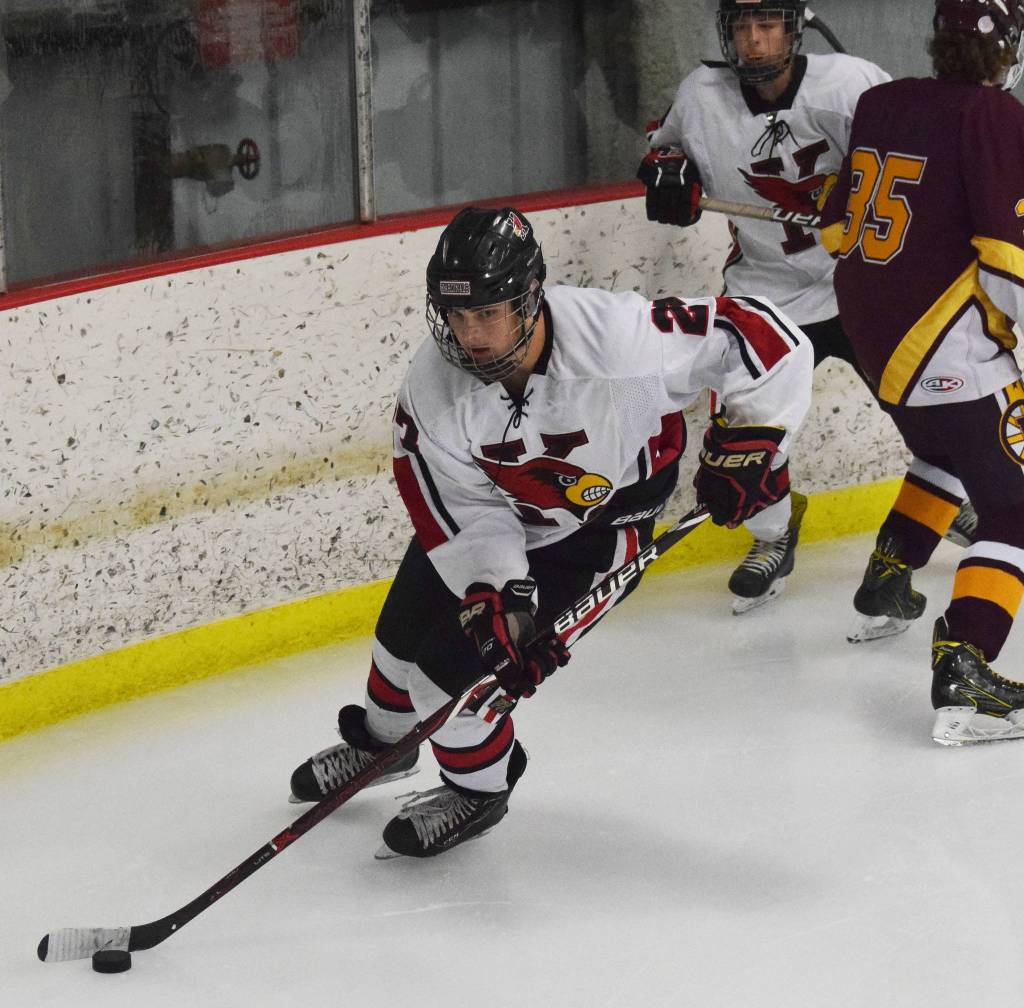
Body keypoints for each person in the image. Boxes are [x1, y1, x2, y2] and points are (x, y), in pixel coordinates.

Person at [288, 205, 813, 857]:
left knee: (453, 684)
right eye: (457, 316)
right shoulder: (434, 390)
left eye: (487, 313)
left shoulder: (615, 341)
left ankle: (478, 790)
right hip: (497, 524)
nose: (471, 337)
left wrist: (754, 438)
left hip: (595, 537)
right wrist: (498, 590)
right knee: (397, 646)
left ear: (530, 298)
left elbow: (766, 338)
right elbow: (458, 503)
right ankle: (384, 748)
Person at [639, 0, 975, 615]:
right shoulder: (701, 95)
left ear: (795, 29)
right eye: (742, 28)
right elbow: (662, 151)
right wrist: (668, 174)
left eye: (767, 26)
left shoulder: (848, 83)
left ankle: (952, 499)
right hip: (763, 297)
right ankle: (775, 533)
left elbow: (915, 152)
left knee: (929, 403)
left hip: (860, 284)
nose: (754, 43)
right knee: (744, 445)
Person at [820, 0, 1024, 744]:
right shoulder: (994, 115)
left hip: (873, 337)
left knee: (941, 451)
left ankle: (887, 579)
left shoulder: (882, 101)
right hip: (945, 344)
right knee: (1016, 506)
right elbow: (1008, 257)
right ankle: (966, 662)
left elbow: (837, 225)